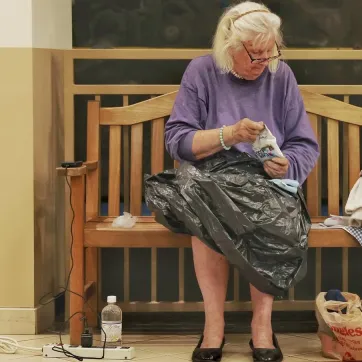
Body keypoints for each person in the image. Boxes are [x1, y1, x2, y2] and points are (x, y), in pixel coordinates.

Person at [164, 1, 320, 361]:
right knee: (207, 206)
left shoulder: (281, 75)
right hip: (210, 181)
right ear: (229, 47)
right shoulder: (202, 71)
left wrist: (288, 164)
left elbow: (304, 143)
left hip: (264, 183)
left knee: (269, 207)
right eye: (255, 56)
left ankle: (262, 326)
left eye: (270, 54)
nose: (263, 63)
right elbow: (178, 139)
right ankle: (213, 326)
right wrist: (230, 134)